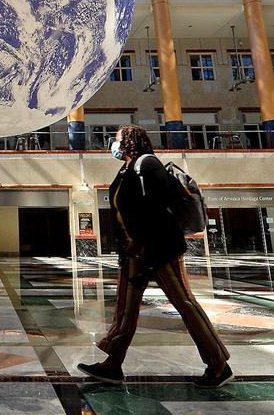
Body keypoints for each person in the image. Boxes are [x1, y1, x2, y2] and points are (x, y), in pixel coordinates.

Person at [79, 124, 232, 387]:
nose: (112, 144)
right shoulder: (126, 169)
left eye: (116, 139)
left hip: (160, 248)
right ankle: (112, 364)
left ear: (129, 141)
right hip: (132, 251)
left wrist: (143, 243)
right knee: (126, 308)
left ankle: (218, 365)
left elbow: (157, 210)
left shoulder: (148, 165)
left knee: (184, 303)